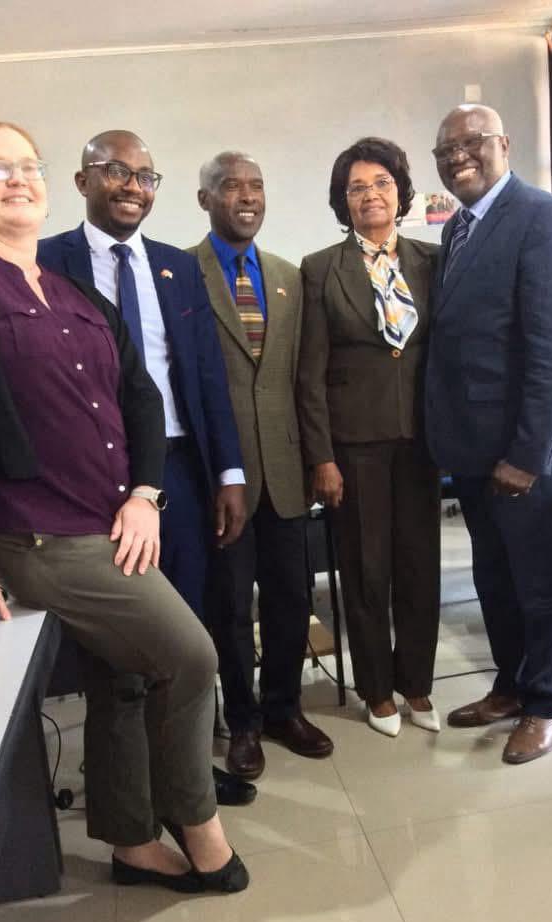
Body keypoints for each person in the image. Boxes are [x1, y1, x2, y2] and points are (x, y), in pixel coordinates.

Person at [0, 120, 248, 892]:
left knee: (124, 674)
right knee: (190, 655)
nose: (17, 178)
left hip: (113, 520)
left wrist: (144, 494)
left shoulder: (75, 293)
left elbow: (141, 398)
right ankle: (197, 822)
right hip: (37, 534)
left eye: (27, 165)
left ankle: (131, 841)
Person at [38, 130, 256, 808]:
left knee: (186, 629)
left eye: (145, 176)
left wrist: (228, 473)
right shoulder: (45, 262)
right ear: (82, 182)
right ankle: (129, 793)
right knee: (118, 647)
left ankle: (186, 779)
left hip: (180, 470)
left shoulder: (176, 268)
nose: (133, 186)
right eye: (116, 171)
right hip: (96, 480)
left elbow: (206, 374)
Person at [425, 104, 552, 763]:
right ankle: (511, 685)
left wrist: (526, 453)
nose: (458, 156)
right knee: (493, 577)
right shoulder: (457, 230)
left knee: (536, 582)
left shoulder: (544, 216)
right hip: (470, 448)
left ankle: (546, 702)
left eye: (472, 142)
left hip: (522, 450)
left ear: (504, 144)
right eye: (445, 150)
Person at [189, 151, 333, 778]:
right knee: (228, 605)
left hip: (287, 471)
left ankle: (283, 708)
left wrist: (320, 458)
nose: (246, 197)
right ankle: (242, 721)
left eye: (256, 186)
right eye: (231, 187)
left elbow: (304, 379)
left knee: (290, 598)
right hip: (222, 478)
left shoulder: (287, 277)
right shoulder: (181, 273)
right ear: (205, 199)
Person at [297, 137, 441, 738]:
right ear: (344, 201)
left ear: (400, 192)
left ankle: (417, 684)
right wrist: (322, 458)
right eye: (357, 188)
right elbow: (309, 374)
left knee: (419, 568)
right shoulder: (320, 269)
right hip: (354, 448)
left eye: (381, 183)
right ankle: (377, 690)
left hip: (422, 443)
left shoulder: (433, 260)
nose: (371, 195)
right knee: (364, 571)